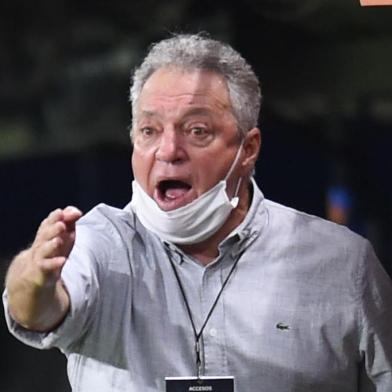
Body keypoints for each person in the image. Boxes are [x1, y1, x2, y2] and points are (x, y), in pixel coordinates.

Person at [3, 33, 392, 392]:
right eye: (149, 131)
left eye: (197, 131)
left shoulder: (342, 264)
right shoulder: (98, 242)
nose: (168, 150)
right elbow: (37, 310)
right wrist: (35, 280)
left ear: (249, 149)